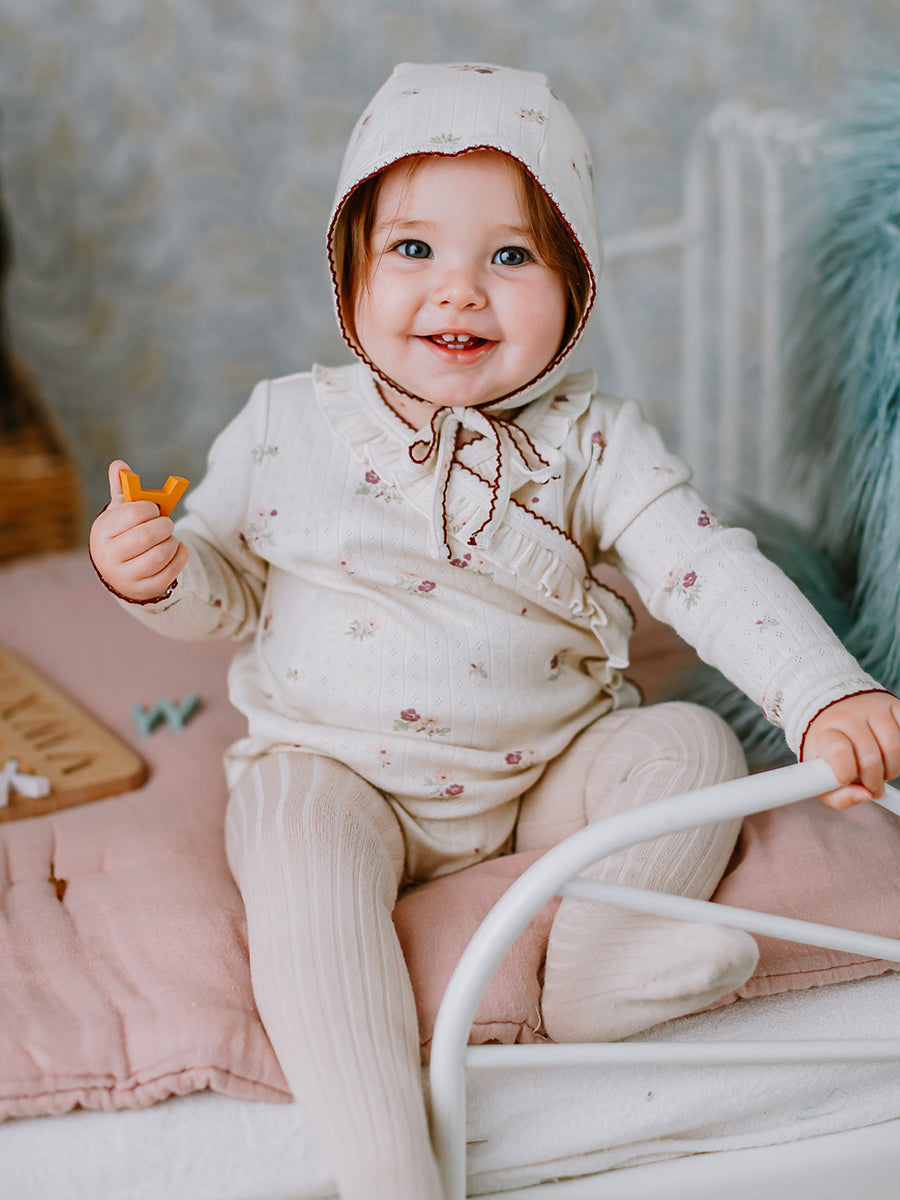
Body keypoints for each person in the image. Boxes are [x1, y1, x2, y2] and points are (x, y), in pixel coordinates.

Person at [89, 62, 900, 1200]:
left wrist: (824, 690)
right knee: (294, 855)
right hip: (338, 768)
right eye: (413, 249)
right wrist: (160, 571)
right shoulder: (285, 425)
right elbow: (227, 589)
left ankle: (598, 970)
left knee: (691, 744)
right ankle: (388, 1167)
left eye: (512, 256)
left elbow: (707, 569)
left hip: (542, 774)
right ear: (350, 271)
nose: (460, 292)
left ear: (577, 285)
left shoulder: (598, 440)